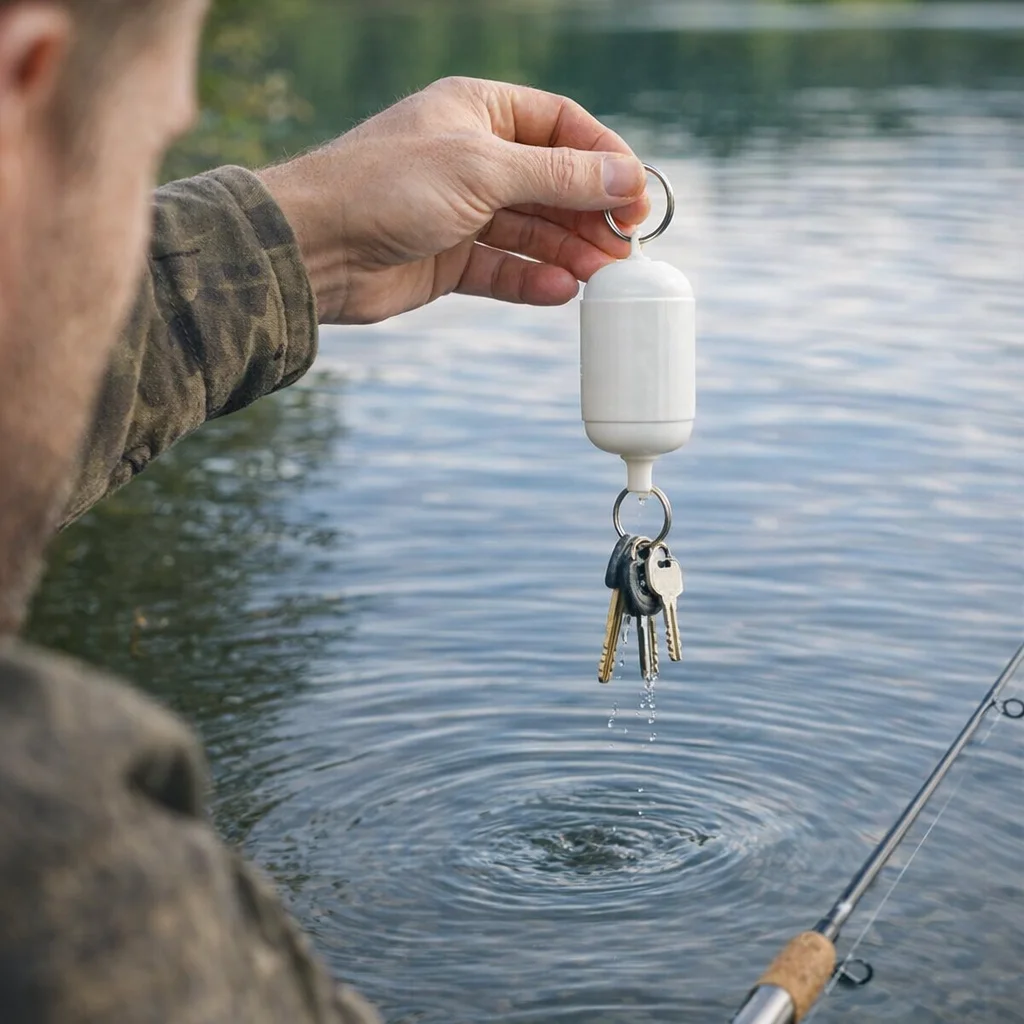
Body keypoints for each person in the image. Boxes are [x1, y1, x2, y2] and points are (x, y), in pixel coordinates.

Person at [0, 1, 651, 1021]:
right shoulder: (68, 904)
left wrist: (309, 242)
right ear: (25, 81)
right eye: (147, 148)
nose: (140, 197)